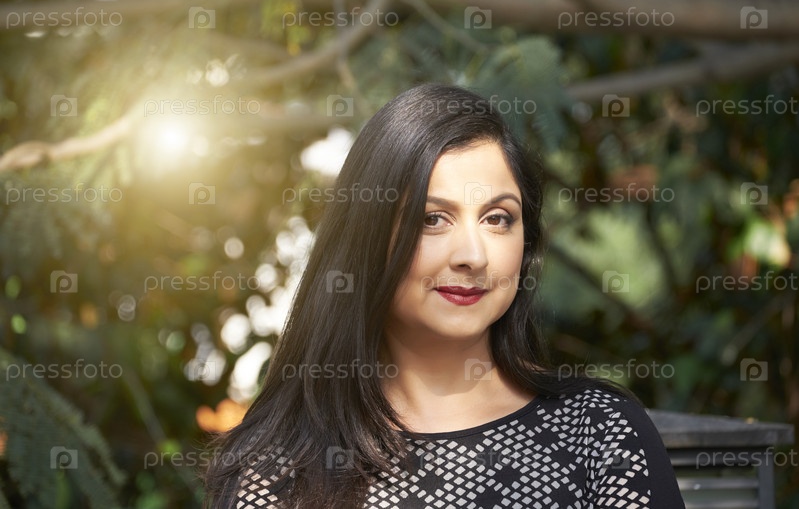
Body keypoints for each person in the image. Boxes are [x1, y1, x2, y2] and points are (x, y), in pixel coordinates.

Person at [204, 84, 685, 508]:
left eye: (497, 219)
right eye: (433, 219)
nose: (473, 255)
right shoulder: (276, 473)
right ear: (367, 237)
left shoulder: (599, 433)